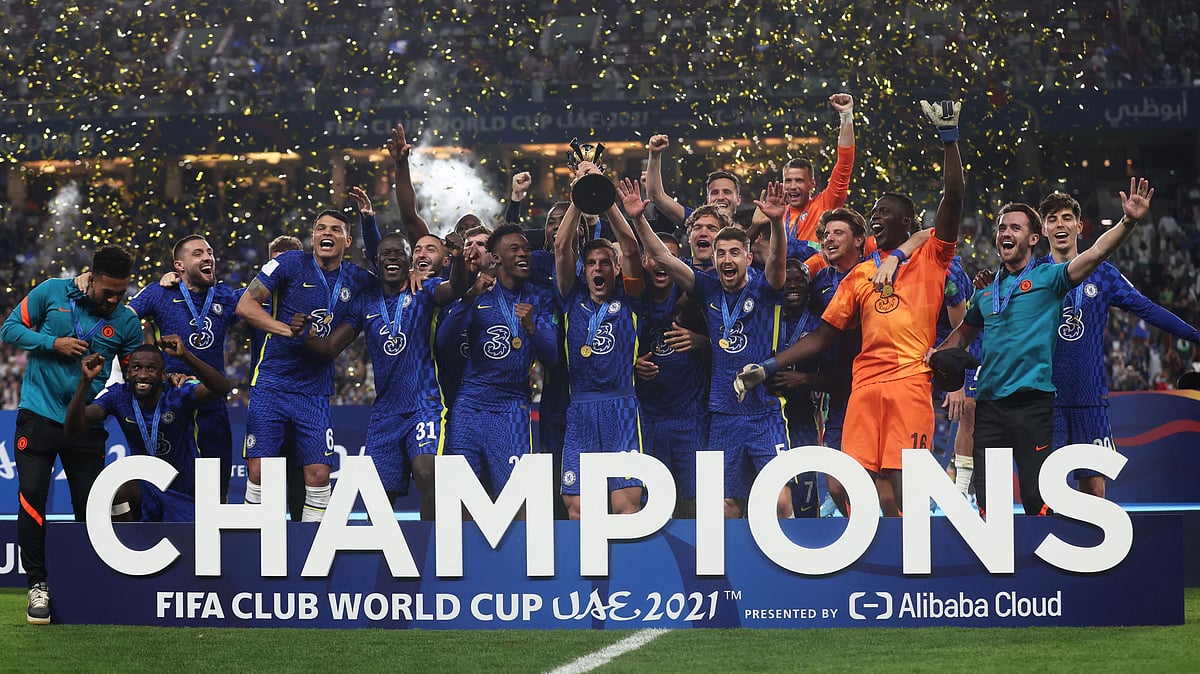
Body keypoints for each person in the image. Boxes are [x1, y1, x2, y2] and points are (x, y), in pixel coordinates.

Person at [736, 100, 965, 517]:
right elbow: (823, 335)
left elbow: (952, 202)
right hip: (863, 387)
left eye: (885, 213)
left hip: (910, 382)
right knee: (842, 485)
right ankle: (873, 546)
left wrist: (949, 140)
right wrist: (767, 366)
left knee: (902, 481)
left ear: (908, 223)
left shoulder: (931, 259)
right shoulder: (859, 275)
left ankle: (909, 561)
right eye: (874, 212)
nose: (876, 216)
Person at [934, 177, 1155, 516]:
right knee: (988, 503)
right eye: (1002, 228)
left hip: (1033, 405)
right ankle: (999, 565)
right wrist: (935, 358)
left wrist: (1128, 221)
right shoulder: (985, 293)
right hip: (991, 406)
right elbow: (961, 335)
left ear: (1033, 238)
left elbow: (1096, 253)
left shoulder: (1050, 279)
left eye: (1016, 228)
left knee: (1038, 499)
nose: (1006, 233)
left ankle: (1044, 564)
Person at [0, 244, 143, 624]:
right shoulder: (51, 291)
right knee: (32, 496)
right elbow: (9, 327)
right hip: (39, 416)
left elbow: (136, 372)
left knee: (89, 506)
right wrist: (53, 342)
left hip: (85, 425)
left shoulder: (127, 322)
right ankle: (37, 585)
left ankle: (87, 583)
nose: (113, 299)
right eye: (107, 291)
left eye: (121, 293)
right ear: (90, 277)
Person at [633, 182, 791, 519]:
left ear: (748, 257)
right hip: (722, 414)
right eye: (721, 253)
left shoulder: (766, 287)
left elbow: (778, 260)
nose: (726, 259)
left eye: (735, 252)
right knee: (723, 505)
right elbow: (663, 257)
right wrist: (638, 220)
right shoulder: (707, 288)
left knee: (779, 500)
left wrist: (777, 223)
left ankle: (787, 570)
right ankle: (729, 571)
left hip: (765, 412)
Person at [1036, 191, 1197, 498]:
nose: (1060, 224)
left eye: (1067, 218)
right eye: (1052, 219)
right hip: (1045, 399)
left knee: (1095, 490)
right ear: (1043, 230)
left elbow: (1147, 309)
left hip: (1090, 398)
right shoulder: (1033, 275)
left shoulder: (1104, 273)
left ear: (1079, 227)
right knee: (1047, 491)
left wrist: (1195, 335)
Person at [304, 233, 471, 520]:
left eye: (399, 253)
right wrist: (301, 335)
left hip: (424, 404)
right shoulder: (364, 303)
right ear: (376, 261)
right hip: (385, 413)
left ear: (409, 262)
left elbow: (455, 288)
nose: (392, 257)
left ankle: (434, 554)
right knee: (378, 498)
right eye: (385, 253)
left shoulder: (424, 290)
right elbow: (331, 347)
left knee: (427, 474)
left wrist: (457, 259)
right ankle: (387, 561)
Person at [234, 209, 375, 521]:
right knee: (258, 472)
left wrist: (416, 275)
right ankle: (251, 544)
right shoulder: (290, 263)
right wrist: (287, 329)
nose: (327, 233)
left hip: (313, 391)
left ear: (347, 240)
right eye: (320, 228)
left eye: (336, 230)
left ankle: (313, 548)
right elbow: (245, 305)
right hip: (271, 383)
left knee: (319, 474)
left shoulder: (357, 278)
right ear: (312, 237)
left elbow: (392, 273)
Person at [440, 224, 559, 499]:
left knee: (516, 499)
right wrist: (469, 298)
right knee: (459, 498)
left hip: (512, 406)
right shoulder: (478, 292)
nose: (524, 254)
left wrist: (532, 328)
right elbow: (443, 343)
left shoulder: (540, 297)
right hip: (470, 405)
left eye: (527, 249)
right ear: (496, 257)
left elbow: (551, 357)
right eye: (514, 249)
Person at [64, 337, 232, 521]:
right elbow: (73, 427)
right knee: (118, 490)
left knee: (188, 547)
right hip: (146, 490)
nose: (143, 375)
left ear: (163, 374)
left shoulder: (178, 392)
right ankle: (129, 545)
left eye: (151, 369)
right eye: (136, 368)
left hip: (185, 491)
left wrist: (186, 356)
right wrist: (85, 381)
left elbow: (221, 388)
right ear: (127, 374)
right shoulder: (117, 395)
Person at [554, 183, 645, 519]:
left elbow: (632, 249)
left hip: (621, 407)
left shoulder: (630, 297)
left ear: (615, 268)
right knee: (577, 508)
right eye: (591, 263)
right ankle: (585, 574)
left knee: (625, 506)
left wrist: (606, 199)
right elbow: (562, 246)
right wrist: (579, 194)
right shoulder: (570, 296)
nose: (597, 269)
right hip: (579, 409)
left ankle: (627, 572)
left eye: (605, 263)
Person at [128, 234, 240, 501]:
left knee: (216, 486)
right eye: (198, 254)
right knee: (171, 484)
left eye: (210, 252)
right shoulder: (159, 292)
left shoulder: (225, 295)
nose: (208, 257)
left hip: (211, 400)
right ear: (179, 265)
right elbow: (124, 320)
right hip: (170, 399)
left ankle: (212, 539)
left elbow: (261, 300)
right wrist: (142, 368)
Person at [634, 231, 709, 519]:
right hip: (646, 419)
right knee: (650, 505)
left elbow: (733, 347)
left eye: (670, 257)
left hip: (691, 418)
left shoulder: (695, 301)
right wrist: (631, 365)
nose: (662, 262)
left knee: (695, 503)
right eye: (654, 256)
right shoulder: (632, 299)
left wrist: (703, 341)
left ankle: (698, 561)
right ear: (643, 261)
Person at [751, 93, 856, 246]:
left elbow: (844, 163)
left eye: (799, 180)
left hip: (816, 269)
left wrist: (846, 115)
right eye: (788, 181)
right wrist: (756, 225)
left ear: (811, 183)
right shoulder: (771, 214)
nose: (793, 186)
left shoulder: (824, 205)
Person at [767, 258, 829, 517]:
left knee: (805, 489)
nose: (792, 285)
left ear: (809, 286)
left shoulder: (820, 324)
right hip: (766, 415)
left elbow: (836, 375)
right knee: (771, 490)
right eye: (787, 280)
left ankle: (810, 545)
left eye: (799, 280)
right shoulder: (765, 317)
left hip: (803, 416)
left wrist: (803, 380)